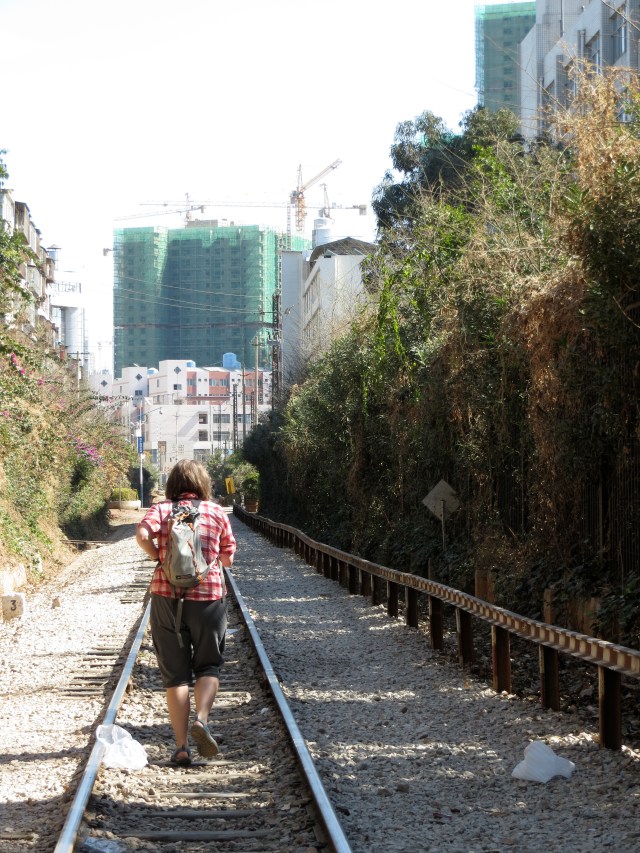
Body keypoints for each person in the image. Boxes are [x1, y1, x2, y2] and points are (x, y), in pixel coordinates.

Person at [136, 459, 236, 766]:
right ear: (202, 484)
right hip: (208, 599)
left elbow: (142, 535)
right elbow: (228, 559)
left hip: (167, 598)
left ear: (173, 485)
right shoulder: (216, 512)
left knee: (175, 677)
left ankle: (181, 746)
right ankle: (201, 720)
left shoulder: (162, 510)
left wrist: (158, 557)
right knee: (208, 666)